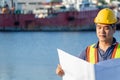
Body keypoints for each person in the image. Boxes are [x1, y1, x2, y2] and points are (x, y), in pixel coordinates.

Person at [56, 8, 120, 76]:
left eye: (106, 28)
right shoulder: (88, 51)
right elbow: (73, 70)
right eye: (99, 27)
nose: (102, 31)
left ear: (114, 29)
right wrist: (62, 71)